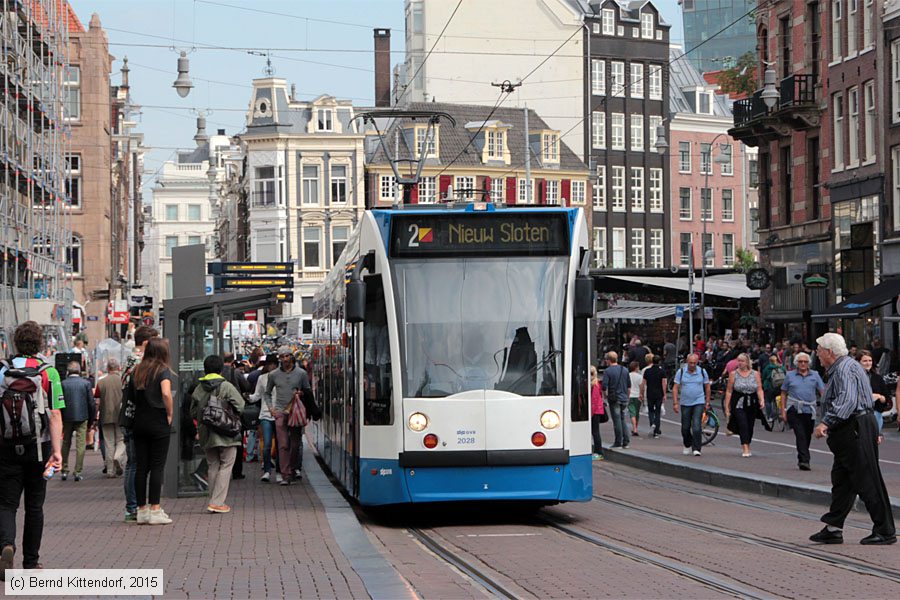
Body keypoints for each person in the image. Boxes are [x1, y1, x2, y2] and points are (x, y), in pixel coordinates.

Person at [809, 333, 896, 546]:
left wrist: (825, 422)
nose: (817, 355)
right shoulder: (846, 366)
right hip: (856, 426)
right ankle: (834, 527)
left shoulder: (844, 369)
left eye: (819, 351)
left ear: (829, 352)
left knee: (865, 478)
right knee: (843, 479)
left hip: (853, 427)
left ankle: (884, 530)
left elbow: (847, 401)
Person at [0, 322, 64, 579]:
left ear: (15, 343)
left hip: (5, 446)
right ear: (40, 343)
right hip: (39, 447)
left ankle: (6, 545)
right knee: (35, 506)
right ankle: (31, 561)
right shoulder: (49, 373)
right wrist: (57, 451)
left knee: (6, 504)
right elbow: (56, 414)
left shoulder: (3, 370)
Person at [191, 355, 245, 514]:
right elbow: (240, 406)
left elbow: (193, 412)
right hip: (226, 431)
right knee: (227, 464)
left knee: (212, 465)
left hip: (206, 432)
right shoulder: (226, 386)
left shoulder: (199, 388)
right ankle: (217, 502)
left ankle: (214, 500)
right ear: (221, 369)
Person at [129, 338, 174, 525]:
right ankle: (155, 508)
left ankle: (141, 510)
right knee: (157, 466)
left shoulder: (137, 370)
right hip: (158, 421)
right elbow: (165, 393)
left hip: (139, 421)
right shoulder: (162, 370)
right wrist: (170, 413)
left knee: (141, 467)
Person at [120, 325, 158, 522]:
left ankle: (132, 506)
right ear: (145, 343)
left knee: (132, 464)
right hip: (137, 417)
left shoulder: (129, 360)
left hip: (129, 415)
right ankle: (133, 506)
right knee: (135, 463)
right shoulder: (139, 362)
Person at [266, 347, 312, 485]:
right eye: (282, 357)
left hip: (295, 412)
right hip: (280, 411)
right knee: (283, 444)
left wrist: (302, 395)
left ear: (291, 357)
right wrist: (271, 409)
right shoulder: (273, 375)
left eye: (287, 356)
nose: (285, 359)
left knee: (295, 444)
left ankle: (291, 469)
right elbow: (267, 392)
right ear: (279, 358)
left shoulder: (301, 374)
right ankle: (286, 475)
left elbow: (308, 391)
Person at [780, 352, 825, 471]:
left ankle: (801, 458)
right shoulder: (790, 375)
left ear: (809, 363)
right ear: (796, 363)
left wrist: (826, 405)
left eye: (805, 362)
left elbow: (822, 391)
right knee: (800, 434)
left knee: (807, 435)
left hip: (809, 409)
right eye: (800, 362)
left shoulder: (815, 375)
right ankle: (805, 461)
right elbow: (783, 393)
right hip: (794, 409)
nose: (803, 364)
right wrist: (783, 411)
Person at [723, 353, 766, 458]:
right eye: (738, 361)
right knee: (743, 424)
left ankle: (748, 442)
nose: (740, 363)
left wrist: (762, 400)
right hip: (739, 402)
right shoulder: (733, 374)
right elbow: (729, 391)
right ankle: (745, 447)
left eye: (742, 361)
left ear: (747, 362)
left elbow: (759, 388)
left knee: (750, 425)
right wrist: (727, 406)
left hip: (752, 402)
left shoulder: (755, 374)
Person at [59, 361, 94, 481]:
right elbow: (91, 403)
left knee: (65, 443)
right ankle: (77, 471)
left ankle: (64, 469)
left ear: (68, 371)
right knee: (80, 445)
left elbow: (60, 402)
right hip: (82, 416)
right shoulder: (86, 383)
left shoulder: (63, 383)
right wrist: (91, 419)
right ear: (79, 370)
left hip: (66, 416)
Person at [672, 353, 710, 456]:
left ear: (697, 362)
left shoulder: (702, 372)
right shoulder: (681, 372)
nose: (692, 365)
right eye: (690, 363)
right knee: (685, 427)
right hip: (685, 402)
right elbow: (675, 387)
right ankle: (687, 443)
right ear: (687, 362)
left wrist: (707, 401)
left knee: (697, 426)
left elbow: (707, 386)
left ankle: (696, 448)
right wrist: (675, 402)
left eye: (694, 363)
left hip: (699, 401)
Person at [251, 355, 280, 481]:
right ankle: (267, 470)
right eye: (270, 364)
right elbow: (257, 395)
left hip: (279, 414)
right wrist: (248, 398)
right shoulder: (262, 378)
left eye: (274, 364)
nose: (272, 366)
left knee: (280, 445)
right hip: (265, 414)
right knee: (267, 444)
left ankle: (279, 471)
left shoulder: (282, 378)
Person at [222, 353, 250, 480]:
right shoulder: (236, 373)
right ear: (232, 361)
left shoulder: (218, 372)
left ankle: (223, 470)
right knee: (237, 441)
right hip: (235, 412)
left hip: (220, 411)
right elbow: (246, 386)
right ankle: (237, 471)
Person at [95, 360, 125, 478]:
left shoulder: (101, 382)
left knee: (109, 443)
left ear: (108, 368)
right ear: (118, 368)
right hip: (120, 415)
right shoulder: (122, 381)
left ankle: (110, 470)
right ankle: (118, 457)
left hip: (105, 415)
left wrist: (95, 415)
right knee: (121, 440)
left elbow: (97, 400)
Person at [858, 350, 889, 444]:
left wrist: (881, 398)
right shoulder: (854, 377)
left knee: (873, 445)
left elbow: (886, 397)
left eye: (870, 360)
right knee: (862, 445)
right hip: (860, 415)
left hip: (876, 414)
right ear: (858, 362)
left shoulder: (877, 378)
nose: (868, 363)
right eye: (865, 361)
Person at [601, 352, 630, 449]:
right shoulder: (624, 369)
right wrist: (627, 396)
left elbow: (604, 386)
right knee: (623, 419)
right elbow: (629, 385)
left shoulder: (608, 371)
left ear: (608, 360)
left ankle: (618, 441)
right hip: (624, 397)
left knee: (616, 420)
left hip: (615, 398)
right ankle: (626, 441)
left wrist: (605, 396)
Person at [641, 355, 667, 439]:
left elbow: (643, 383)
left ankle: (652, 422)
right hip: (659, 393)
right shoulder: (662, 371)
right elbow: (664, 383)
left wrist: (641, 393)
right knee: (658, 411)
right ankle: (656, 431)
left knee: (651, 410)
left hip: (650, 393)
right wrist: (664, 394)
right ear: (659, 362)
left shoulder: (647, 371)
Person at [762, 355, 784, 421]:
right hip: (780, 387)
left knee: (768, 401)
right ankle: (781, 412)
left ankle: (770, 417)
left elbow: (763, 377)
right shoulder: (781, 367)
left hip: (769, 387)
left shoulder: (767, 368)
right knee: (781, 399)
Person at [590, 366, 604, 460]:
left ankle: (598, 452)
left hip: (595, 411)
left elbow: (594, 400)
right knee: (595, 431)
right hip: (596, 410)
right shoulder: (596, 383)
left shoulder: (594, 384)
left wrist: (590, 413)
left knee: (595, 432)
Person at [627, 361, 643, 437]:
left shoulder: (628, 375)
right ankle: (635, 427)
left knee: (632, 412)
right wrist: (641, 394)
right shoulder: (639, 376)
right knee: (636, 412)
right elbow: (641, 387)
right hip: (637, 396)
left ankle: (634, 428)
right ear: (636, 367)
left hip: (630, 396)